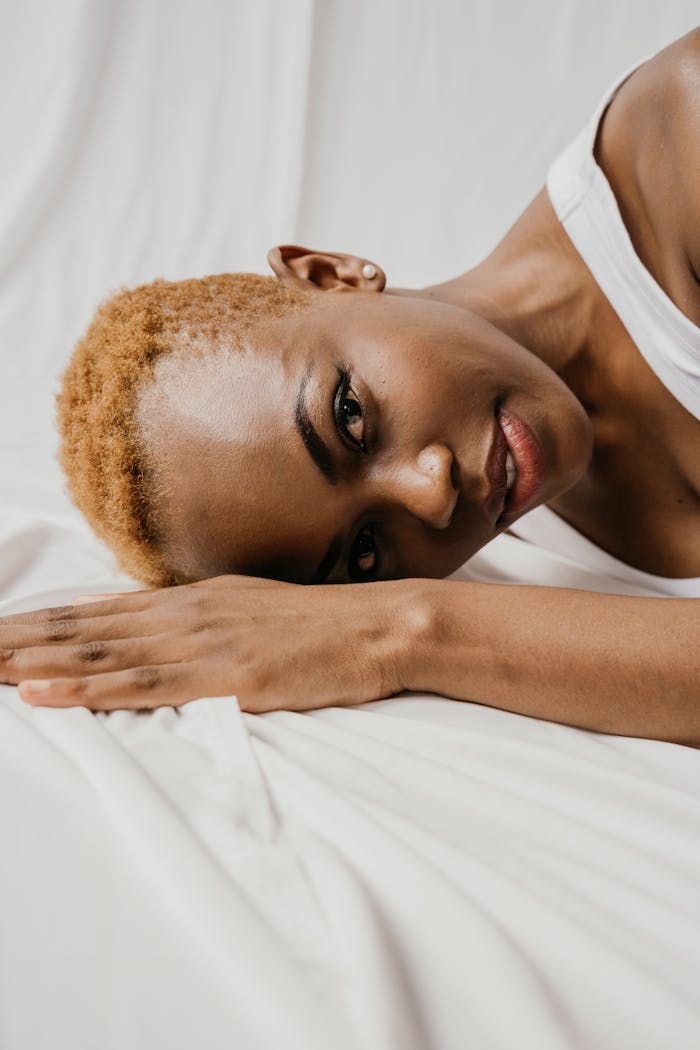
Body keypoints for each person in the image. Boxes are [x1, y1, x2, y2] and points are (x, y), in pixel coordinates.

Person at [1, 30, 698, 746]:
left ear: (330, 274)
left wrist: (399, 629)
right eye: (366, 554)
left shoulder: (685, 135)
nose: (430, 495)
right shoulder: (523, 545)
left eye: (351, 417)